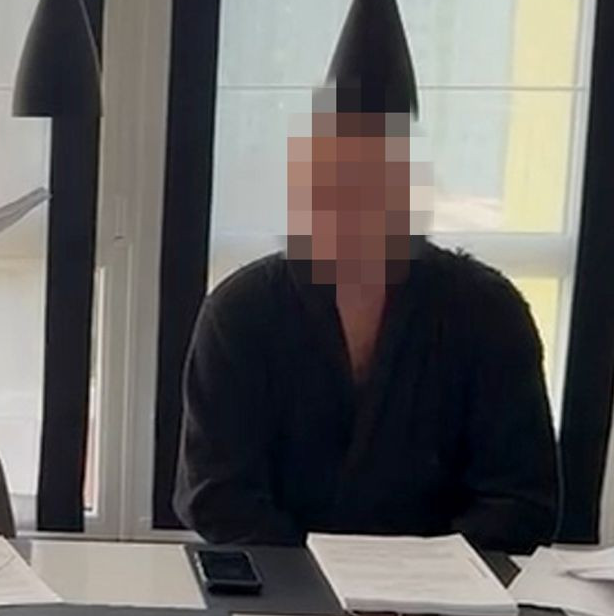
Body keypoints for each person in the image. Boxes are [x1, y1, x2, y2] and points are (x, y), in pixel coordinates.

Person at [174, 97, 559, 552]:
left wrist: (416, 572)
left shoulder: (489, 311)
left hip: (451, 581)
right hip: (281, 573)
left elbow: (521, 499)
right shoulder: (240, 311)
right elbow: (217, 493)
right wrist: (318, 571)